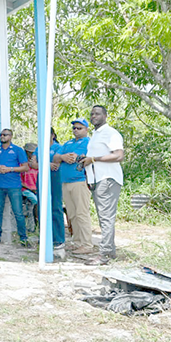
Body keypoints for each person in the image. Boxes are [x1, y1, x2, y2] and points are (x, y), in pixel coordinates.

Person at [80, 105, 125, 266]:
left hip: (108, 179)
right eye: (92, 114)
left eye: (97, 113)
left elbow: (119, 155)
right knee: (103, 217)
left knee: (106, 217)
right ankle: (110, 252)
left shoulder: (110, 133)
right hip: (97, 180)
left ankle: (104, 254)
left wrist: (93, 159)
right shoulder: (96, 135)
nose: (94, 116)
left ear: (105, 116)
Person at [53, 119, 93, 255]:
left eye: (79, 128)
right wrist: (62, 157)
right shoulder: (68, 143)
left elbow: (76, 157)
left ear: (86, 129)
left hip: (79, 181)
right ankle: (77, 242)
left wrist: (65, 157)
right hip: (65, 181)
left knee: (82, 213)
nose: (76, 130)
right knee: (72, 214)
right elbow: (56, 157)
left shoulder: (88, 142)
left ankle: (87, 244)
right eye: (74, 128)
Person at [0, 128, 30, 247]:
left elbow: (25, 167)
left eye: (5, 135)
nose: (2, 137)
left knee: (18, 213)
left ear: (10, 136)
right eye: (0, 135)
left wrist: (10, 169)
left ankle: (23, 238)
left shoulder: (17, 150)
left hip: (13, 186)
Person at [31, 128, 66, 250]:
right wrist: (46, 165)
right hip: (42, 178)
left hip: (55, 179)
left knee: (56, 207)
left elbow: (56, 165)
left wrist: (43, 164)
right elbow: (33, 164)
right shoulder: (39, 148)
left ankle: (58, 239)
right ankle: (45, 237)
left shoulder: (58, 147)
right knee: (42, 207)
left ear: (53, 135)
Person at [21, 143, 40, 233]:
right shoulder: (23, 164)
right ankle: (36, 223)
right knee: (36, 201)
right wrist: (30, 188)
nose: (32, 155)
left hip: (36, 188)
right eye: (30, 152)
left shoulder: (37, 164)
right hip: (26, 189)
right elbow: (20, 181)